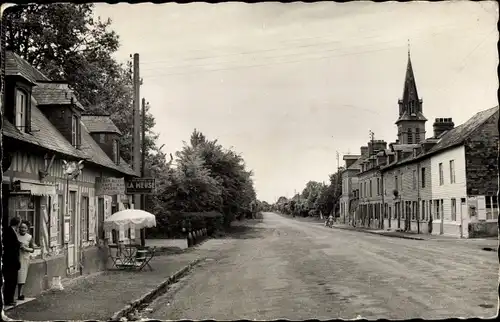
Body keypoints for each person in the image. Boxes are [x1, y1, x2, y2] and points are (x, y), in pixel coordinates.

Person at [2, 217, 21, 306]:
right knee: (11, 281)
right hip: (11, 261)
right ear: (18, 224)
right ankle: (8, 300)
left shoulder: (9, 231)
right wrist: (18, 245)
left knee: (10, 281)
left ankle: (8, 299)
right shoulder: (10, 232)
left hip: (9, 260)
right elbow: (12, 248)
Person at [17, 221, 34, 301]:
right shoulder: (16, 236)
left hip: (24, 258)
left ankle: (20, 294)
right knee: (15, 276)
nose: (23, 229)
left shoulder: (29, 237)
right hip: (16, 257)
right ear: (19, 228)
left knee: (22, 276)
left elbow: (32, 249)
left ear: (27, 229)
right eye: (21, 227)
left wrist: (25, 248)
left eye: (24, 228)